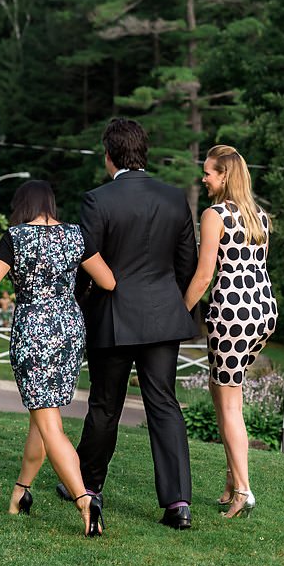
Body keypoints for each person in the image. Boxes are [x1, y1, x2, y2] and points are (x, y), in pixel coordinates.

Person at [57, 118, 199, 530]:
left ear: (109, 154)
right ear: (143, 153)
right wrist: (173, 306)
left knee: (105, 405)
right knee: (164, 404)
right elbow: (186, 263)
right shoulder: (175, 198)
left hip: (113, 317)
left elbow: (86, 264)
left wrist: (80, 307)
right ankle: (178, 504)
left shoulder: (97, 201)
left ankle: (86, 485)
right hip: (162, 319)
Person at [0, 180, 116, 537]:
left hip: (33, 333)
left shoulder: (16, 236)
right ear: (51, 204)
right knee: (42, 418)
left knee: (50, 424)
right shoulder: (75, 234)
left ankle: (85, 500)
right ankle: (21, 493)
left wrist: (18, 273)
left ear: (22, 205)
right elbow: (108, 281)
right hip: (69, 330)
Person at [182, 144, 277, 518]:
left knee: (229, 403)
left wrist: (178, 312)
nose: (203, 178)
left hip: (232, 313)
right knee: (223, 393)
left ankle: (243, 490)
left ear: (225, 176)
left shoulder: (214, 214)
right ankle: (229, 481)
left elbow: (205, 275)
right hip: (262, 310)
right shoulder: (261, 216)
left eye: (209, 172)